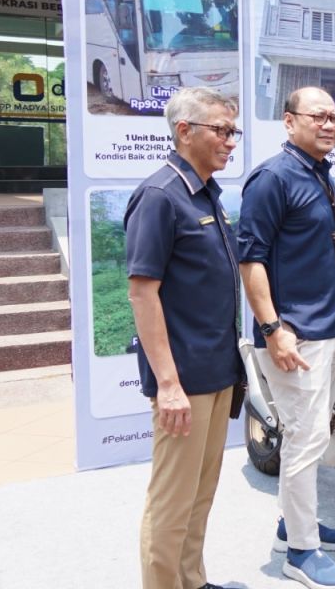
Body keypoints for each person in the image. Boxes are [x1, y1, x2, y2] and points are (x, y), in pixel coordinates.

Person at [237, 86, 335, 588]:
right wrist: (274, 329)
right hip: (295, 335)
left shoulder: (319, 174)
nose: (330, 124)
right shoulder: (272, 178)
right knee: (304, 441)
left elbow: (328, 240)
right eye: (318, 116)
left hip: (325, 327)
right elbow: (250, 259)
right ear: (288, 121)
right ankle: (299, 554)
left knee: (312, 435)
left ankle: (290, 526)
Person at [125, 86, 244, 589]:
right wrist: (168, 384)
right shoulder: (159, 197)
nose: (230, 141)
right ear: (184, 131)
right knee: (171, 502)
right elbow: (142, 295)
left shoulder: (207, 194)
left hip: (217, 374)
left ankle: (191, 580)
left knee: (200, 494)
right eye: (221, 130)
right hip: (184, 383)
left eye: (232, 131)